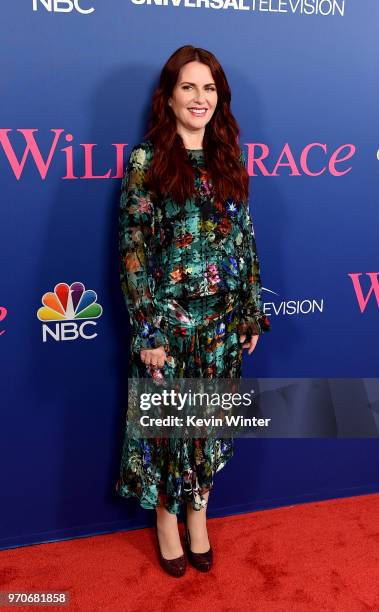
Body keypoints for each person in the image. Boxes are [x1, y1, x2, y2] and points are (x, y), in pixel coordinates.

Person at [115, 44, 271, 577]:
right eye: (189, 87)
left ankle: (198, 518)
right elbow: (133, 249)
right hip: (169, 322)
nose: (199, 98)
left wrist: (249, 307)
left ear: (218, 98)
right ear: (170, 96)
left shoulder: (230, 155)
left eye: (208, 88)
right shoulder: (147, 160)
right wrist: (147, 331)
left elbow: (245, 239)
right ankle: (165, 521)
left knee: (207, 428)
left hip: (223, 323)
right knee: (168, 430)